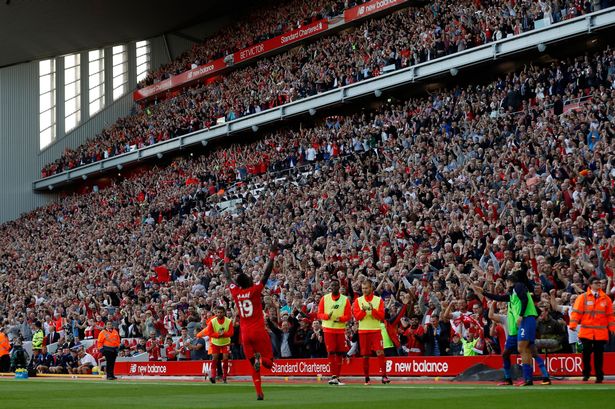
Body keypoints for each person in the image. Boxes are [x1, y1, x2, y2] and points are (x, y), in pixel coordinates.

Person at [474, 272, 551, 386]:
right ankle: (513, 378)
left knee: (523, 349)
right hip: (516, 327)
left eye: (506, 283)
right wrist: (483, 292)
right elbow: (498, 297)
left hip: (525, 320)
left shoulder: (518, 286)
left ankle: (528, 379)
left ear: (510, 282)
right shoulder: (512, 296)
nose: (505, 286)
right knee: (518, 351)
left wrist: (521, 315)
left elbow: (524, 299)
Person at [224, 241, 279, 401]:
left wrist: (226, 259)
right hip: (258, 330)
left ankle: (259, 392)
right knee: (269, 361)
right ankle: (260, 360)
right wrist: (272, 255)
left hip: (245, 333)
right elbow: (266, 273)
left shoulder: (235, 292)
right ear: (248, 281)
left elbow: (227, 277)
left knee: (251, 364)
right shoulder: (255, 290)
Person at [569, 276, 615, 383]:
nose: (598, 284)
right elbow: (576, 312)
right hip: (587, 332)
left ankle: (599, 376)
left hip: (600, 332)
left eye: (599, 283)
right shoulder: (583, 297)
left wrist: (612, 328)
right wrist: (573, 325)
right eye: (596, 283)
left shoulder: (606, 299)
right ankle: (586, 373)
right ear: (590, 285)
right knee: (586, 354)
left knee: (599, 355)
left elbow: (610, 315)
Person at [352, 280, 389, 385]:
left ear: (371, 288)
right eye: (363, 288)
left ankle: (384, 376)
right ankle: (367, 378)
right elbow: (357, 317)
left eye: (366, 288)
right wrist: (363, 311)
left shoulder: (378, 300)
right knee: (365, 355)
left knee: (380, 353)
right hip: (363, 331)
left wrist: (372, 310)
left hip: (376, 330)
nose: (364, 290)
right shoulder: (358, 301)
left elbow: (381, 317)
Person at [317, 278, 351, 385]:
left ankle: (337, 376)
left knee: (340, 353)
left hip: (340, 330)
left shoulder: (345, 299)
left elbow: (348, 316)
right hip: (328, 329)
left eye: (336, 285)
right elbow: (319, 314)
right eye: (333, 286)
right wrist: (327, 316)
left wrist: (340, 319)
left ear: (339, 287)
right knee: (331, 352)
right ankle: (333, 375)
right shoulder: (324, 299)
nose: (334, 287)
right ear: (330, 287)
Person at [205, 306, 234, 383]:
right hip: (215, 343)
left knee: (225, 358)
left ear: (224, 313)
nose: (219, 314)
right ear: (216, 313)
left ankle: (224, 377)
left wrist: (223, 334)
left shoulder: (229, 321)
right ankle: (213, 376)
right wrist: (218, 335)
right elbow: (209, 333)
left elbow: (231, 333)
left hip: (226, 342)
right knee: (215, 358)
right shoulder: (212, 321)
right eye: (218, 312)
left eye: (221, 312)